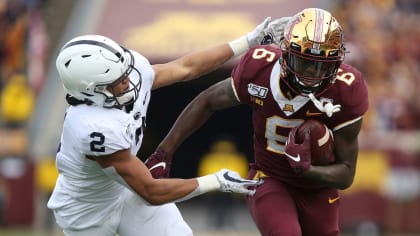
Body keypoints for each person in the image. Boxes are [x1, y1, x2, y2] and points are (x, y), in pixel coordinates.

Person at [46, 17, 283, 236]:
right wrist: (215, 181)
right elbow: (151, 191)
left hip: (123, 191)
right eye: (118, 82)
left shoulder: (129, 73)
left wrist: (247, 41)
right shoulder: (92, 127)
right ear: (91, 90)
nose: (129, 81)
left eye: (125, 73)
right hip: (86, 212)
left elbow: (185, 67)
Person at [147, 8, 369, 236]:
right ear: (286, 53)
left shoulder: (347, 88)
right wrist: (164, 152)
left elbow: (346, 174)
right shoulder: (259, 68)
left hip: (319, 190)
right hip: (269, 178)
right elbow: (207, 101)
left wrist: (308, 170)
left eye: (323, 65)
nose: (312, 74)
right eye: (305, 62)